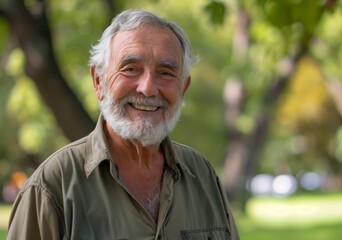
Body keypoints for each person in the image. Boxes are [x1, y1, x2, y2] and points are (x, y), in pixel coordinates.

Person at [8, 9, 239, 240]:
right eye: (130, 69)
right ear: (98, 82)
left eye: (166, 73)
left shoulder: (203, 177)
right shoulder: (51, 187)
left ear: (183, 88)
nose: (148, 88)